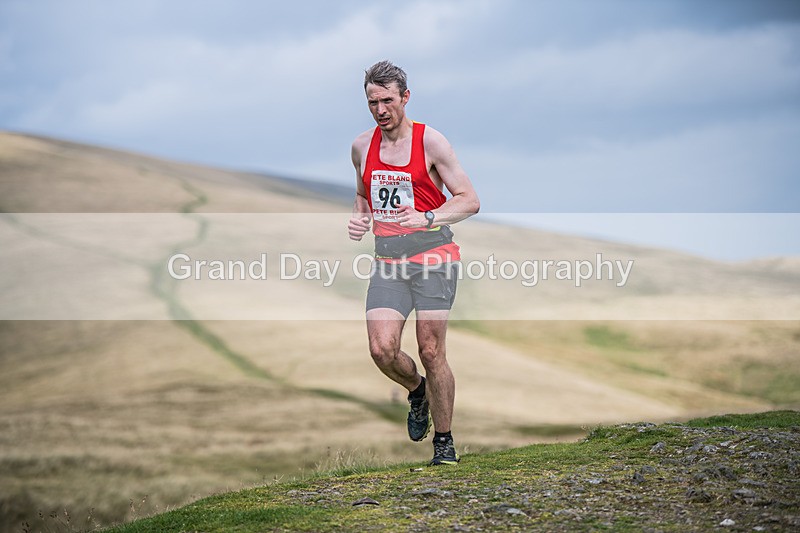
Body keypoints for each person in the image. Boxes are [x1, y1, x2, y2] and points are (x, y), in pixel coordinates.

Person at [348, 60, 480, 466]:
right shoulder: (360, 147)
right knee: (381, 349)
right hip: (388, 261)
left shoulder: (431, 142)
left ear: (405, 97)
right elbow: (364, 195)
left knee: (430, 348)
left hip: (433, 257)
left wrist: (427, 216)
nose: (380, 109)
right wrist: (361, 217)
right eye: (373, 102)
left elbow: (469, 201)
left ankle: (444, 443)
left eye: (388, 100)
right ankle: (417, 391)